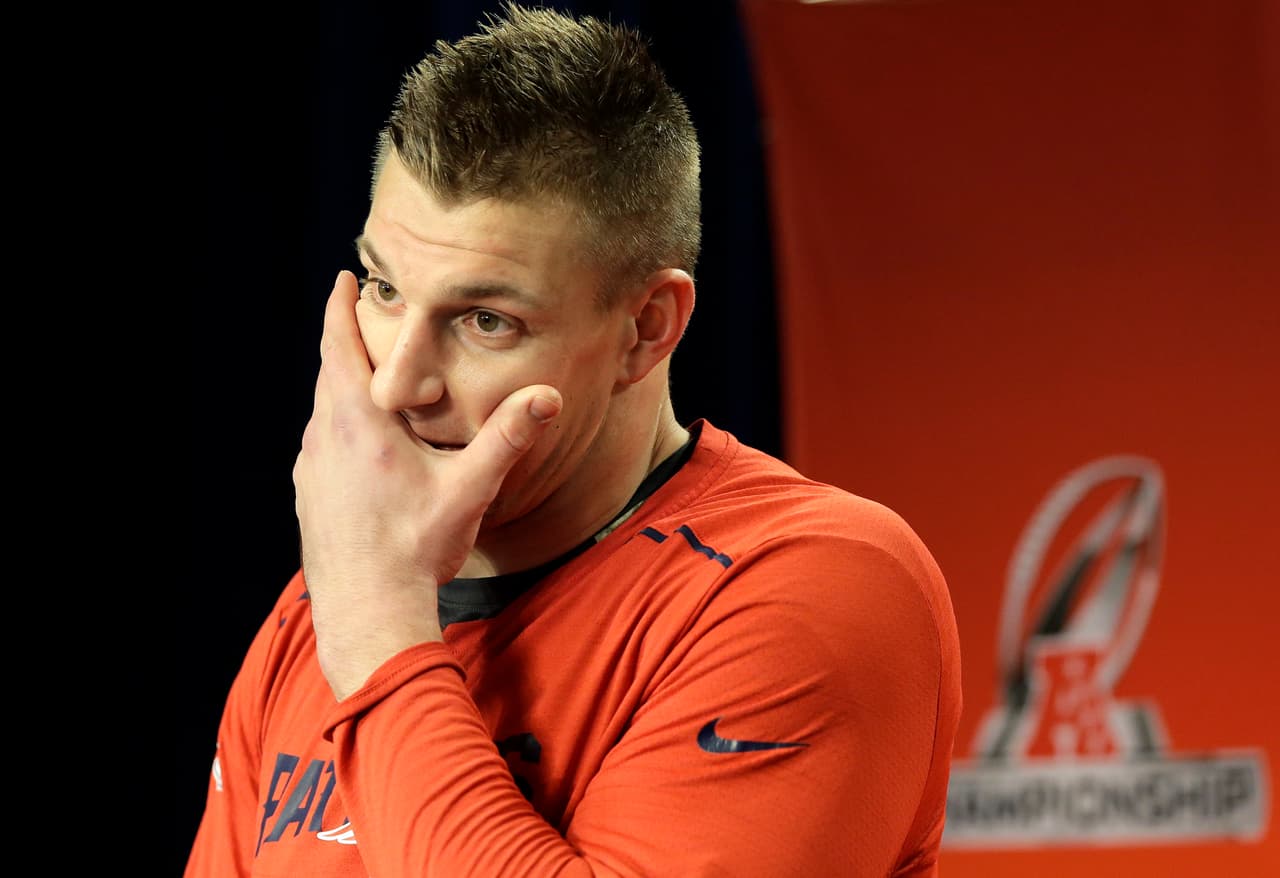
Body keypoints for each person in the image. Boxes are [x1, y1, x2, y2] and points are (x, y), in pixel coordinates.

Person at [184, 3, 962, 876]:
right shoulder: (313, 608)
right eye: (384, 287)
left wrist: (376, 625)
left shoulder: (813, 586)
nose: (400, 380)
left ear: (646, 328)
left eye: (486, 320)